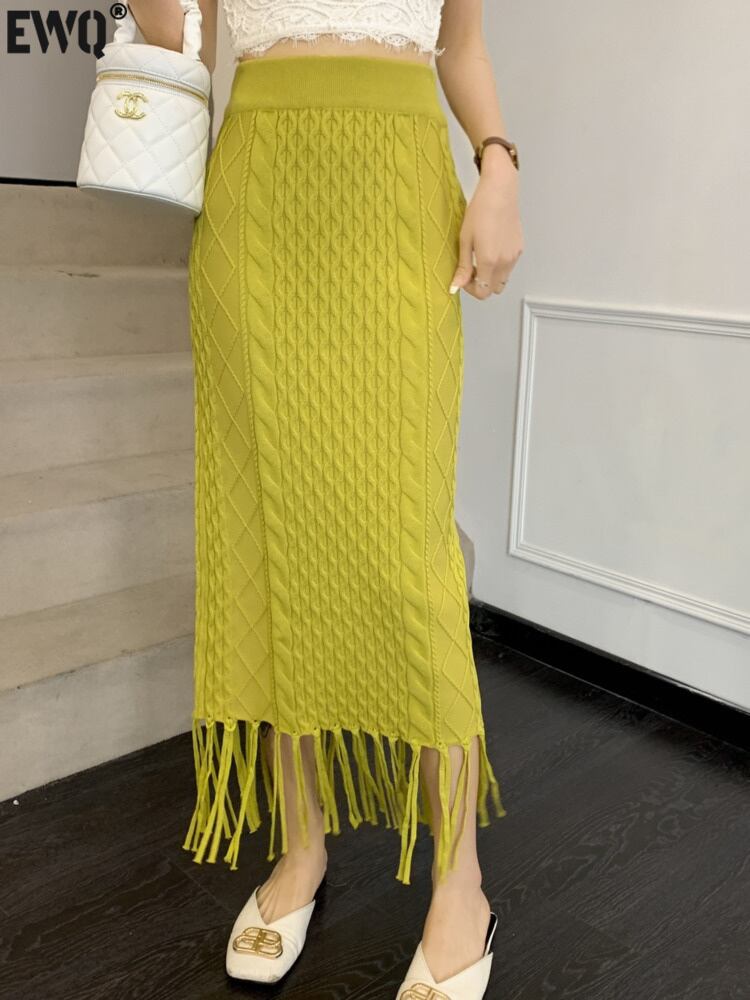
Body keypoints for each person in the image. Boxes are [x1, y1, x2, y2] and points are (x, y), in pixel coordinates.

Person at [131, 1, 523, 996]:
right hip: (257, 199)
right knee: (273, 537)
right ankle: (301, 844)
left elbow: (463, 45)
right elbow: (179, 38)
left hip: (398, 193)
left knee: (411, 555)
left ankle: (461, 880)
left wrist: (499, 165)